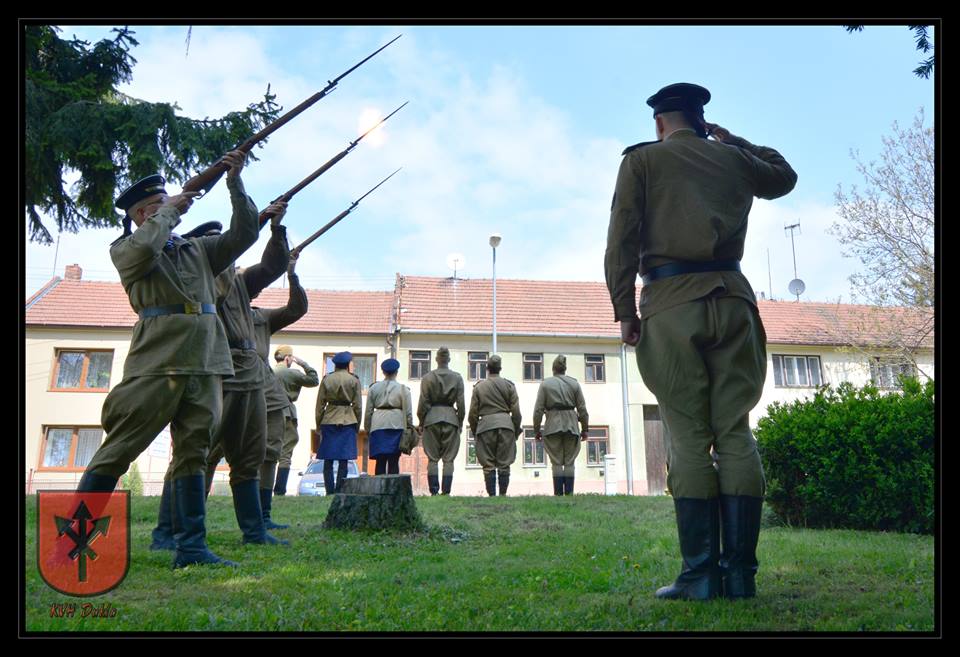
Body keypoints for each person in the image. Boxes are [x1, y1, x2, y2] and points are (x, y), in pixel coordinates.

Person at [604, 82, 797, 600]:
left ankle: (699, 575)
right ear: (701, 118)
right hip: (734, 300)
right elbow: (784, 176)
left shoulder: (641, 163)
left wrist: (624, 310)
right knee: (734, 431)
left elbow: (621, 238)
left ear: (660, 123)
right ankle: (740, 575)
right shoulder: (732, 159)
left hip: (671, 305)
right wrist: (736, 141)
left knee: (688, 436)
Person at [77, 150, 258, 569]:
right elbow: (142, 249)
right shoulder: (127, 248)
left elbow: (243, 236)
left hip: (206, 360)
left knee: (194, 451)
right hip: (158, 362)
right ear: (141, 214)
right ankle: (72, 543)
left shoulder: (197, 250)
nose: (170, 208)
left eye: (168, 202)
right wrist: (169, 213)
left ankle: (191, 547)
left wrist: (234, 181)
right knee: (119, 450)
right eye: (157, 206)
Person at [201, 200, 292, 547]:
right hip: (218, 371)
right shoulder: (202, 279)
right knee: (202, 453)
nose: (230, 254)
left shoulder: (240, 281)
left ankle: (254, 531)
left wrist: (276, 228)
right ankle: (173, 529)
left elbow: (272, 266)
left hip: (249, 370)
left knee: (250, 454)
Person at [251, 252, 308, 530]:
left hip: (263, 389)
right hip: (226, 382)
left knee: (271, 451)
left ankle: (262, 517)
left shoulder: (261, 317)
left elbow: (295, 310)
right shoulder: (217, 307)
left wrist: (292, 275)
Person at [532, 355, 589, 496]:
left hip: (552, 425)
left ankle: (558, 494)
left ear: (553, 369)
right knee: (569, 461)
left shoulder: (545, 384)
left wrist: (537, 429)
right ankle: (569, 494)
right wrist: (585, 429)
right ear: (565, 369)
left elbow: (538, 409)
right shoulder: (574, 384)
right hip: (571, 424)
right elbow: (582, 409)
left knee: (556, 461)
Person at [468, 354, 522, 496]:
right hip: (506, 426)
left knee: (488, 464)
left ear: (487, 368)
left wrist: (475, 431)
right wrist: (515, 431)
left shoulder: (479, 387)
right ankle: (503, 494)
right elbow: (516, 412)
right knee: (505, 464)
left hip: (485, 426)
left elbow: (472, 414)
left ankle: (492, 495)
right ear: (500, 369)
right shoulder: (509, 386)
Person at [416, 347, 465, 495]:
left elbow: (423, 402)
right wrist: (460, 421)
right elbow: (461, 404)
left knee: (433, 458)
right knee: (449, 459)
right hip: (451, 418)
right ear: (448, 360)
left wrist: (421, 421)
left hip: (431, 418)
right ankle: (446, 491)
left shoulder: (427, 378)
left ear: (436, 359)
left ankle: (434, 491)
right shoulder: (457, 377)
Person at [273, 347, 319, 496]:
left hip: (267, 413)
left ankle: (263, 489)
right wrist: (303, 363)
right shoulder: (291, 373)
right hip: (286, 413)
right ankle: (279, 490)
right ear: (288, 358)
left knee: (267, 451)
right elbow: (314, 380)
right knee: (285, 453)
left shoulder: (269, 372)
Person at [315, 352, 363, 493]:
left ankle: (329, 491)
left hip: (329, 419)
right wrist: (357, 425)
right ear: (348, 365)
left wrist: (318, 424)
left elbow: (320, 405)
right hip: (348, 420)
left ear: (334, 365)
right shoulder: (354, 380)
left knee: (328, 458)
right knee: (344, 459)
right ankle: (340, 490)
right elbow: (358, 406)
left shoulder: (327, 379)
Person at [364, 358, 414, 475]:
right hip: (396, 426)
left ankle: (379, 489)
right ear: (396, 372)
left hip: (378, 425)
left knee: (380, 461)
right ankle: (393, 490)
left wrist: (367, 428)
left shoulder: (373, 388)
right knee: (394, 460)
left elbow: (368, 411)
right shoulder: (403, 389)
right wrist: (410, 428)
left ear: (383, 372)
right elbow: (408, 413)